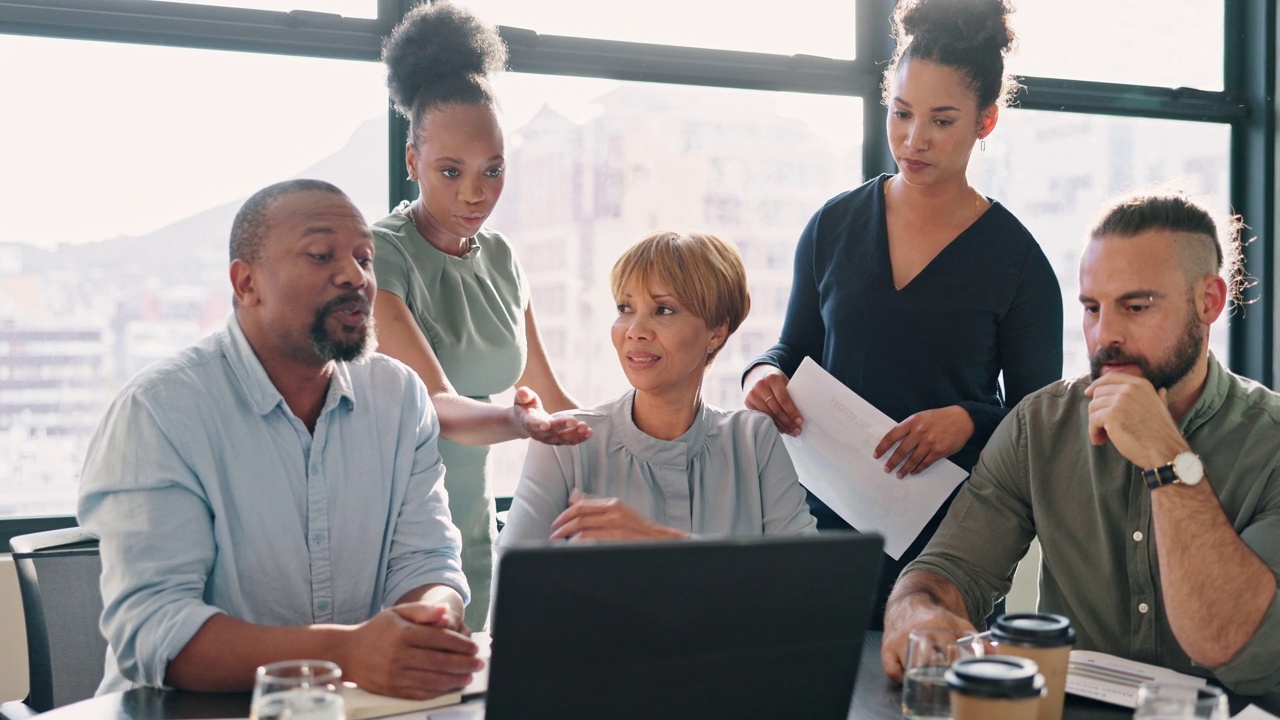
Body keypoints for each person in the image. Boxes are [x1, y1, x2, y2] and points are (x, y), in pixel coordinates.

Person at [79, 180, 482, 699]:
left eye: (365, 258)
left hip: (357, 710)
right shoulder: (160, 410)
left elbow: (427, 561)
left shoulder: (399, 396)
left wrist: (430, 622)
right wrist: (349, 652)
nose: (354, 276)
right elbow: (156, 631)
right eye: (320, 255)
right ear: (246, 284)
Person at [742, 0, 1063, 624]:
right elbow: (791, 349)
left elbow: (1040, 426)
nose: (913, 140)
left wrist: (968, 422)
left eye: (942, 121)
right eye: (902, 113)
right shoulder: (833, 225)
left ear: (986, 121)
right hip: (819, 526)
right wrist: (760, 375)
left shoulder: (1017, 261)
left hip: (947, 545)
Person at [882, 193, 1280, 695]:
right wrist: (915, 613)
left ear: (1209, 302)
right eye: (1092, 308)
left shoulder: (1272, 445)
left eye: (1136, 306)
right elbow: (947, 572)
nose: (1104, 335)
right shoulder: (1040, 426)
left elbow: (1239, 648)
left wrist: (1167, 458)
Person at [372, 2, 586, 630]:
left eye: (492, 171)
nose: (476, 193)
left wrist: (643, 435)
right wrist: (522, 423)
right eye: (450, 171)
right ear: (412, 163)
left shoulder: (499, 255)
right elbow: (433, 405)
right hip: (402, 531)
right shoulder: (381, 255)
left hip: (475, 521)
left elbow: (548, 390)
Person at [499, 231, 817, 545]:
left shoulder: (754, 440)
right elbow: (508, 583)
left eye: (664, 310)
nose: (635, 331)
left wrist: (658, 540)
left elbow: (807, 580)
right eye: (625, 308)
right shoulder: (562, 445)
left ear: (717, 331)